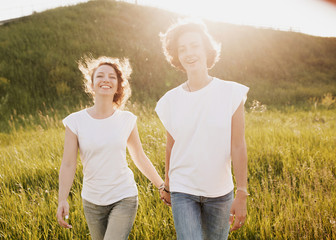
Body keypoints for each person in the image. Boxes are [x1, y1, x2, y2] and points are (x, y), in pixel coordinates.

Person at [56, 56, 169, 240]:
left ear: (118, 86)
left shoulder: (126, 120)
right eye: (100, 76)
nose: (106, 79)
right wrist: (62, 199)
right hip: (92, 201)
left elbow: (139, 156)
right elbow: (68, 163)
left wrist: (161, 186)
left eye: (112, 77)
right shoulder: (75, 121)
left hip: (123, 196)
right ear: (91, 85)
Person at [155, 18, 249, 240]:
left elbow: (238, 145)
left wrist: (242, 192)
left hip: (220, 192)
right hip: (183, 190)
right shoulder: (170, 100)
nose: (189, 53)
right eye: (182, 49)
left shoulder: (231, 93)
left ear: (207, 48)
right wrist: (168, 184)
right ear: (176, 56)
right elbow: (172, 144)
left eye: (194, 45)